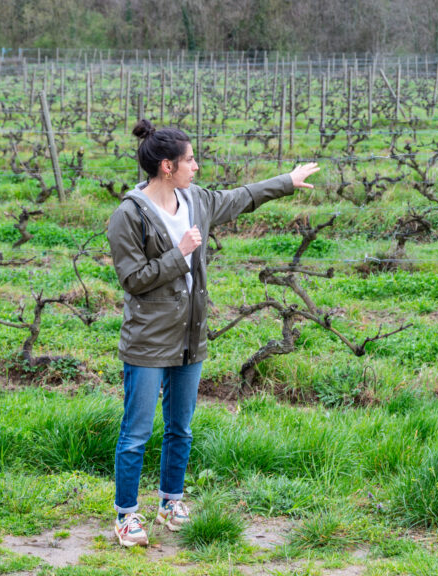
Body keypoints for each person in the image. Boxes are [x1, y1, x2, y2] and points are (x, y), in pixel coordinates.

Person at [106, 119, 319, 547]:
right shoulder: (127, 216)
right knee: (137, 434)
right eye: (189, 160)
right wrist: (180, 253)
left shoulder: (195, 201)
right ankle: (127, 515)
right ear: (167, 166)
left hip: (190, 337)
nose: (196, 166)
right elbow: (133, 279)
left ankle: (170, 502)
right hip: (148, 341)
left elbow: (240, 198)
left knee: (180, 428)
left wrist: (288, 181)